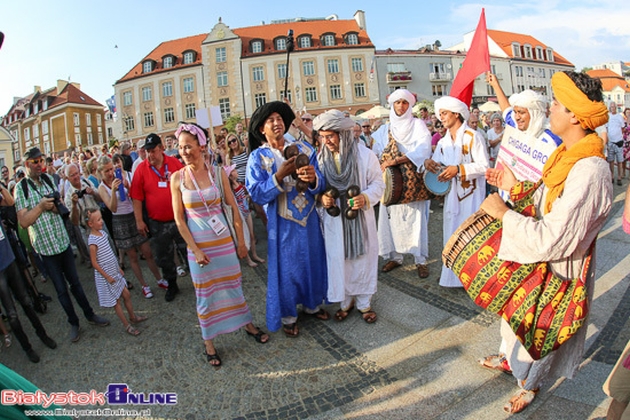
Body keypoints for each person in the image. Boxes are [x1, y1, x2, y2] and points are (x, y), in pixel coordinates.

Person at [480, 70, 612, 413]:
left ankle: (531, 385)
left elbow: (554, 238)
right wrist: (513, 184)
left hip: (559, 269)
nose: (550, 109)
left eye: (555, 103)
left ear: (573, 114)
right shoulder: (564, 157)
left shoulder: (590, 170)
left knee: (542, 333)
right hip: (534, 259)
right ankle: (513, 365)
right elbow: (544, 201)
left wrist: (503, 214)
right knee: (514, 320)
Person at [171, 123, 269, 367]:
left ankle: (246, 324)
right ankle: (209, 341)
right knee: (205, 294)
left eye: (188, 146)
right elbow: (179, 220)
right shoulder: (177, 178)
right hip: (199, 249)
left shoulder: (218, 173)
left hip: (223, 244)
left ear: (201, 146)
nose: (184, 152)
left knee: (234, 285)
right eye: (181, 147)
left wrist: (241, 241)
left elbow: (233, 208)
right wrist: (194, 249)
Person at [245, 101, 329, 337]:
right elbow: (256, 193)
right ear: (262, 129)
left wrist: (313, 179)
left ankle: (312, 305)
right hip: (281, 222)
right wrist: (278, 176)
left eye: (280, 119)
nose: (276, 122)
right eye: (270, 120)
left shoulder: (303, 148)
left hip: (309, 218)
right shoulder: (258, 158)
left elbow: (320, 182)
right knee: (288, 268)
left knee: (312, 259)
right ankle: (289, 315)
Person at [14, 147, 110, 342]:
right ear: (27, 165)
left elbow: (60, 210)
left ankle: (89, 314)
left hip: (62, 242)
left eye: (41, 160)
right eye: (35, 161)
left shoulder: (49, 180)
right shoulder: (20, 188)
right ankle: (73, 322)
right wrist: (41, 207)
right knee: (61, 290)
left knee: (76, 284)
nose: (40, 164)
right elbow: (23, 222)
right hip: (46, 249)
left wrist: (64, 206)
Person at [314, 110, 385, 323]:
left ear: (343, 134)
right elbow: (316, 188)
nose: (326, 141)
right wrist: (322, 199)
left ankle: (364, 302)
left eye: (330, 136)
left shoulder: (365, 155)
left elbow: (378, 183)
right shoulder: (320, 159)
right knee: (339, 258)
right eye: (323, 137)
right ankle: (345, 301)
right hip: (335, 219)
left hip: (360, 217)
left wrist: (365, 197)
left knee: (363, 258)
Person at [425, 96, 489, 287]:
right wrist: (429, 164)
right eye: (440, 114)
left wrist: (459, 170)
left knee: (471, 238)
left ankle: (474, 279)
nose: (441, 118)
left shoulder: (473, 136)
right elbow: (438, 164)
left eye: (444, 114)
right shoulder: (444, 142)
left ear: (456, 114)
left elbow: (485, 166)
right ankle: (453, 277)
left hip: (471, 197)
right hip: (451, 196)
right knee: (452, 235)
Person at [372, 89, 433, 278]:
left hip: (412, 182)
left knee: (417, 220)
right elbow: (376, 153)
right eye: (397, 102)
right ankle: (395, 257)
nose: (401, 106)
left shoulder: (418, 125)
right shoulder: (384, 129)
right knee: (391, 219)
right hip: (390, 184)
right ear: (392, 105)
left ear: (409, 105)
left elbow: (424, 149)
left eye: (404, 102)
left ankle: (420, 260)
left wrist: (398, 160)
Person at [0, 183, 57, 362]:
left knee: (26, 301)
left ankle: (43, 335)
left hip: (9, 260)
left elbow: (10, 202)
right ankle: (27, 347)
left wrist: (1, 187)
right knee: (12, 314)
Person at [97, 155, 165, 298]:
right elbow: (112, 208)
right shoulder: (102, 188)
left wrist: (127, 186)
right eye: (106, 171)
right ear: (100, 172)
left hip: (133, 216)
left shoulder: (123, 175)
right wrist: (114, 191)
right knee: (132, 257)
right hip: (120, 221)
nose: (110, 173)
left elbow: (136, 196)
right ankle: (144, 286)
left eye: (111, 169)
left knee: (147, 252)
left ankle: (159, 279)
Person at [129, 134, 186, 302]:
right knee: (164, 257)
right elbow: (137, 197)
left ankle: (200, 282)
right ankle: (172, 284)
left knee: (188, 250)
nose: (150, 155)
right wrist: (139, 220)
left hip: (179, 219)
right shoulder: (141, 169)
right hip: (158, 223)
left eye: (153, 151)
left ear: (161, 149)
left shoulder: (174, 163)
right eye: (147, 152)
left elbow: (186, 185)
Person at [486, 73, 562, 186]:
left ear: (534, 113)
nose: (516, 117)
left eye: (521, 113)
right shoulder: (518, 127)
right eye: (516, 112)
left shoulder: (553, 140)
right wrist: (495, 85)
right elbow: (506, 109)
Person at [86, 208, 147, 336]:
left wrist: (117, 267)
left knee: (126, 295)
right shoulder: (92, 242)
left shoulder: (103, 234)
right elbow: (94, 263)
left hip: (114, 271)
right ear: (90, 224)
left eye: (101, 218)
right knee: (116, 302)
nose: (101, 221)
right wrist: (107, 276)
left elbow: (109, 253)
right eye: (98, 220)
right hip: (106, 275)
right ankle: (127, 325)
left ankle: (132, 317)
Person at [226, 165, 265, 267]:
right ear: (230, 175)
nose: (236, 171)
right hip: (240, 215)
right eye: (233, 170)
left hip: (246, 211)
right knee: (244, 237)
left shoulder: (238, 183)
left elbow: (243, 196)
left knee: (252, 235)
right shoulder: (230, 188)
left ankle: (254, 255)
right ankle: (248, 259)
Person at [603, 102, 625, 186]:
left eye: (614, 106)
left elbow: (623, 128)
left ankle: (619, 177)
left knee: (619, 161)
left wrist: (619, 136)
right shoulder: (608, 117)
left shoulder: (620, 117)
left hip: (619, 141)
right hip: (611, 142)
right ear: (609, 108)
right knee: (611, 161)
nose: (612, 108)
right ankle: (612, 176)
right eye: (611, 106)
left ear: (616, 107)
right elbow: (606, 128)